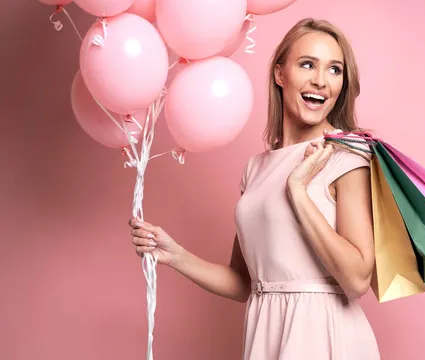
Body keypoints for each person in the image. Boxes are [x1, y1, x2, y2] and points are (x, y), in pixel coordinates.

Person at [129, 18, 381, 359]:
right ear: (280, 74)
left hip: (325, 334)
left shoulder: (347, 155)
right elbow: (245, 282)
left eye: (335, 70)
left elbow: (356, 280)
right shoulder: (256, 169)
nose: (321, 81)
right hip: (267, 332)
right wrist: (175, 256)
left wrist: (298, 193)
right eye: (307, 64)